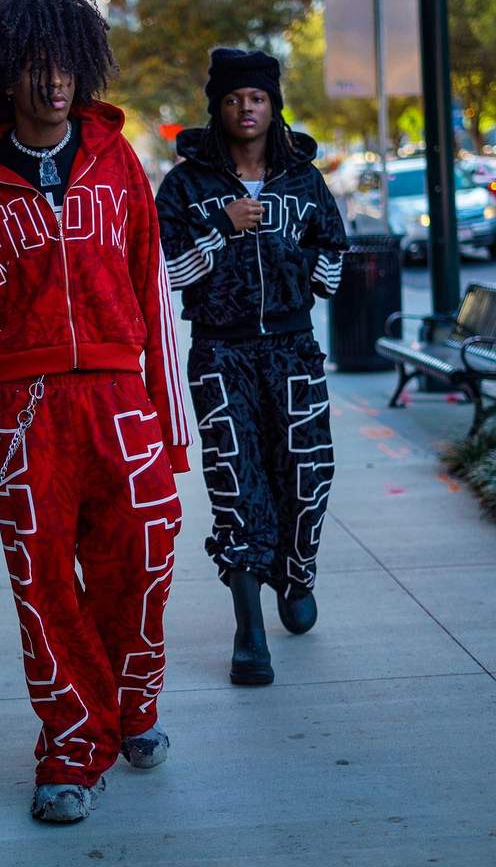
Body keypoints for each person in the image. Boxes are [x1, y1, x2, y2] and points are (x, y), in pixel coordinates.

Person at [0, 0, 190, 823]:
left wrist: (170, 426)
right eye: (36, 66)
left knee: (144, 561)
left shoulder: (116, 162)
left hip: (119, 397)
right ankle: (72, 746)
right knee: (43, 585)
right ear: (5, 74)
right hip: (23, 409)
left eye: (65, 64)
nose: (54, 81)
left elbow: (151, 288)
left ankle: (134, 701)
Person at [156, 48, 347, 686]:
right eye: (234, 98)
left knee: (308, 474)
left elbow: (333, 251)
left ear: (273, 106)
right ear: (218, 107)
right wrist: (223, 227)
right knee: (236, 483)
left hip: (293, 349)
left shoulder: (303, 178)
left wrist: (301, 268)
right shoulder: (186, 185)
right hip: (221, 352)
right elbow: (164, 270)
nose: (246, 108)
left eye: (257, 98)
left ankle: (297, 573)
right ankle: (249, 629)